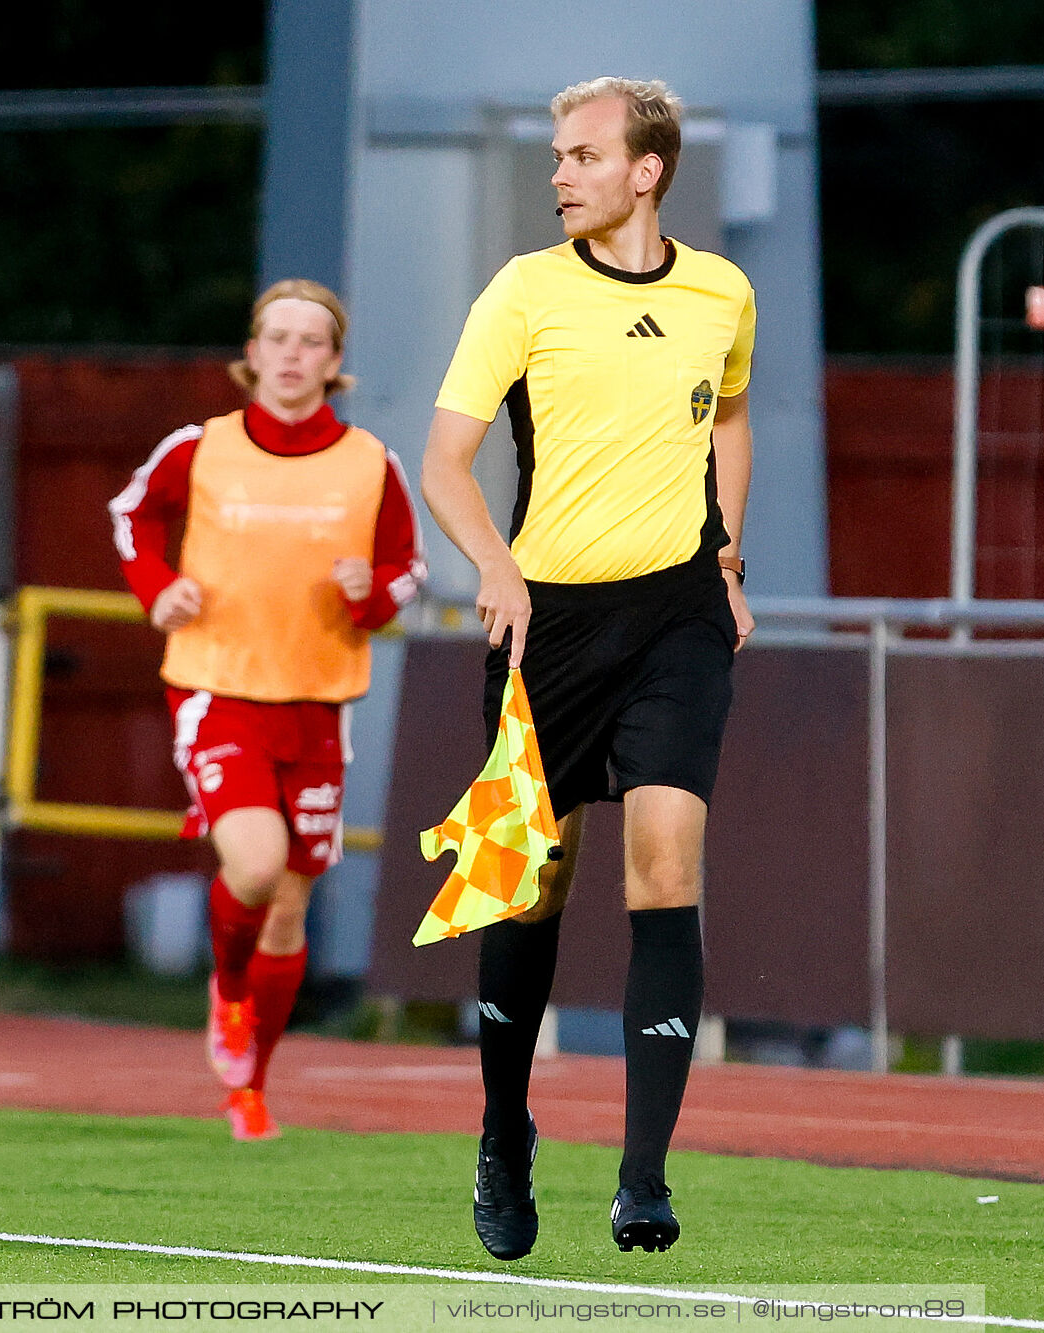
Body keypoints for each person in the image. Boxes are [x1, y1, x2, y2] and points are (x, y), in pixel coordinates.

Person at [420, 76, 757, 1257]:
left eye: (582, 155)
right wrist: (496, 567)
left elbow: (728, 415)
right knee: (532, 884)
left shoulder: (722, 289)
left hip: (674, 619)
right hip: (546, 625)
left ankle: (645, 1177)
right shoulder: (524, 290)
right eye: (558, 155)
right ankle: (505, 1131)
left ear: (646, 169)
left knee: (666, 866)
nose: (560, 173)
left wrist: (726, 557)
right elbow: (446, 460)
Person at [110, 279, 425, 1141]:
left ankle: (251, 1082)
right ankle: (227, 985)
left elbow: (406, 569)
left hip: (318, 700)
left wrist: (371, 594)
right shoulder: (199, 448)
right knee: (253, 863)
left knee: (289, 902)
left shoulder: (369, 462)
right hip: (217, 684)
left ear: (334, 361)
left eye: (310, 340)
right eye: (275, 338)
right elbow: (132, 517)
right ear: (250, 356)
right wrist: (158, 586)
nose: (291, 354)